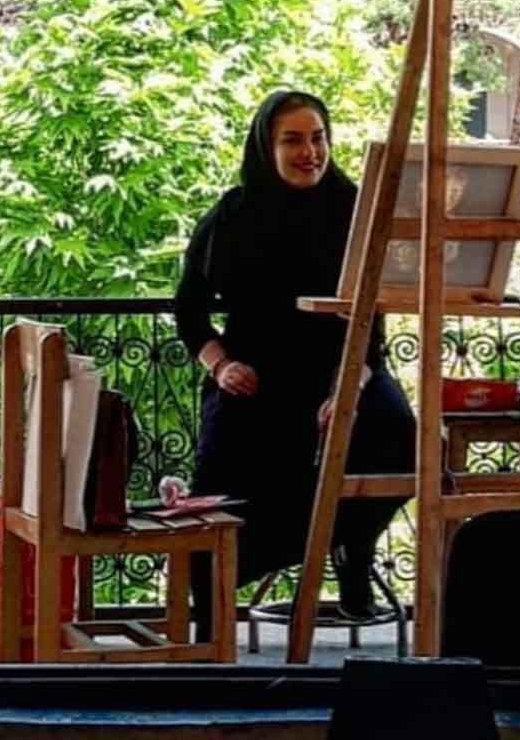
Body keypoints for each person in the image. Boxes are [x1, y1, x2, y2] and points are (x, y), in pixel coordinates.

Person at [175, 89, 415, 633]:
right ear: (267, 147)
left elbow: (374, 323)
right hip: (255, 378)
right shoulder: (233, 214)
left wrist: (347, 389)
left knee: (399, 434)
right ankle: (211, 628)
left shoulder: (356, 208)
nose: (310, 152)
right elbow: (189, 310)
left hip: (345, 370)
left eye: (318, 138)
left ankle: (350, 544)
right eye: (293, 140)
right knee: (225, 476)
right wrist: (221, 367)